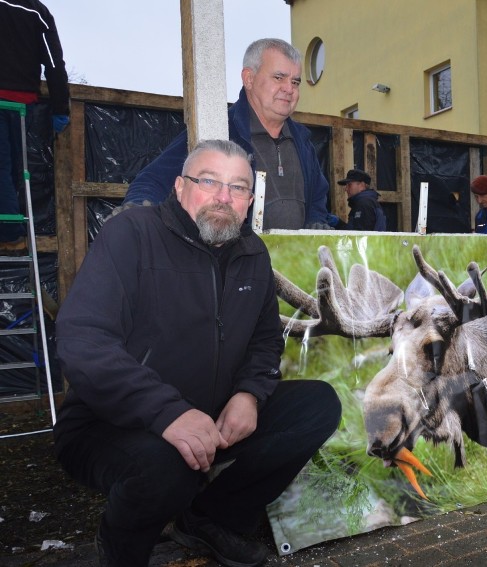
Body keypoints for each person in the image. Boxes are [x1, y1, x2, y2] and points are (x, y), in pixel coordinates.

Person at [53, 140, 342, 567]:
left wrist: (248, 394)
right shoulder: (132, 234)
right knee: (167, 469)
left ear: (249, 200)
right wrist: (168, 413)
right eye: (209, 181)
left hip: (213, 417)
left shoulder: (253, 255)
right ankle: (120, 549)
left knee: (318, 405)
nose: (223, 197)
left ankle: (211, 520)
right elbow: (83, 340)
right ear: (180, 186)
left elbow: (265, 342)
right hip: (110, 422)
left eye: (238, 187)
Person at [123, 38, 331, 230]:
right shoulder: (221, 130)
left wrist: (315, 222)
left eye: (295, 82)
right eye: (279, 77)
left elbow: (318, 196)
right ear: (249, 79)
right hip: (238, 264)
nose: (289, 89)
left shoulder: (302, 141)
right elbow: (155, 178)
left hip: (294, 264)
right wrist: (137, 210)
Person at [0, 0, 70, 251]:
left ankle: (7, 229)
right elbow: (53, 63)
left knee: (4, 166)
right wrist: (60, 107)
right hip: (22, 102)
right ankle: (10, 228)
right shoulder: (37, 11)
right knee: (15, 169)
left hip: (13, 101)